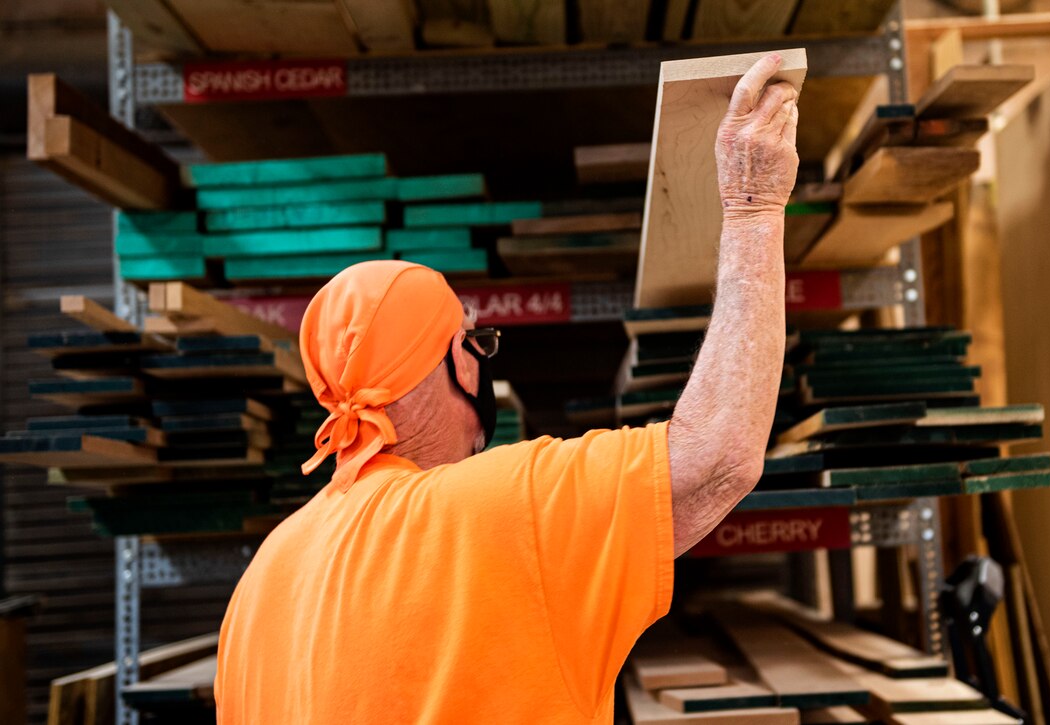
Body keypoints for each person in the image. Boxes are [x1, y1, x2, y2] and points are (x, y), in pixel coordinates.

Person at [214, 53, 798, 724]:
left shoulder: (258, 585)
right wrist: (755, 210)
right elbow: (719, 455)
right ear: (461, 363)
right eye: (475, 341)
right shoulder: (500, 508)